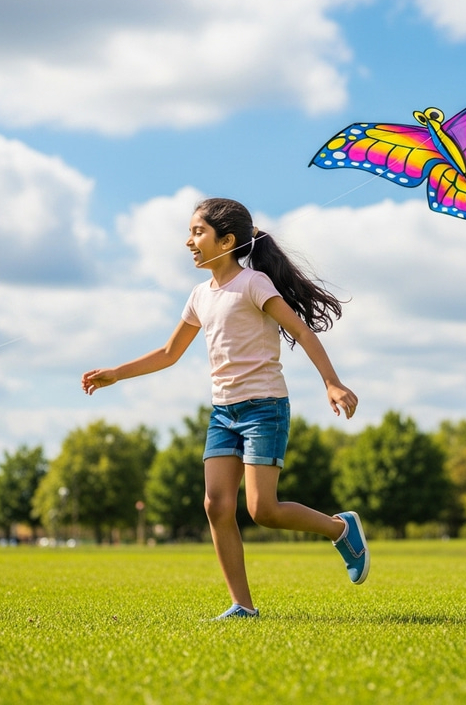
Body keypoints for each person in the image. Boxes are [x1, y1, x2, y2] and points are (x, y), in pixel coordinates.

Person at [82, 197, 369, 619]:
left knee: (262, 510)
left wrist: (332, 382)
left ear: (227, 240)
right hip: (223, 413)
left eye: (197, 232)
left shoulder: (254, 284)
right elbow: (168, 352)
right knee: (215, 505)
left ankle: (341, 529)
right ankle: (242, 606)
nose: (189, 242)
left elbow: (302, 332)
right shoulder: (200, 295)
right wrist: (116, 373)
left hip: (264, 407)